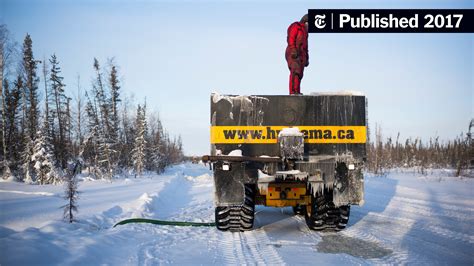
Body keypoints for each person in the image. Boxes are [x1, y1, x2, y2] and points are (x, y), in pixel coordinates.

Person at [285, 14, 309, 95]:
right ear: (306, 22)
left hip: (301, 53)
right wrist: (293, 49)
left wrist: (307, 57)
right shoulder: (296, 26)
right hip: (293, 51)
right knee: (295, 70)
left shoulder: (305, 33)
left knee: (299, 73)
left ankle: (297, 91)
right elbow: (290, 38)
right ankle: (292, 92)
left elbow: (305, 46)